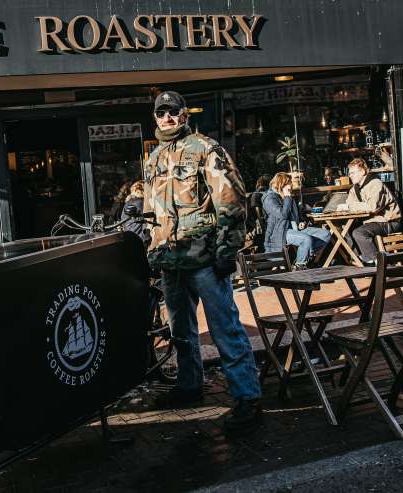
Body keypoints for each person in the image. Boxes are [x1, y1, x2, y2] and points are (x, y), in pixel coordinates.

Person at [143, 90, 262, 432]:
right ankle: (190, 385)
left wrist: (227, 252)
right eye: (161, 113)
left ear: (184, 115)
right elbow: (154, 214)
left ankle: (247, 397)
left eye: (172, 112)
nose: (167, 118)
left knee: (225, 329)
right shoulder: (153, 160)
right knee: (180, 331)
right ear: (155, 118)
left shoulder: (206, 149)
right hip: (170, 260)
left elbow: (231, 201)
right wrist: (152, 249)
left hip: (205, 258)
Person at [338, 157, 402, 265]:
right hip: (370, 222)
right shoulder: (355, 188)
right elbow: (349, 203)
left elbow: (372, 207)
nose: (350, 175)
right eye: (350, 173)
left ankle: (378, 263)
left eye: (353, 172)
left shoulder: (375, 183)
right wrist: (346, 207)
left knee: (359, 233)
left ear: (362, 172)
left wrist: (349, 207)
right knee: (344, 230)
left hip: (388, 221)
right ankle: (359, 258)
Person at [263, 173, 331, 269]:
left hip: (296, 229)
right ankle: (300, 265)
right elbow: (283, 215)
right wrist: (287, 197)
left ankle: (305, 255)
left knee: (326, 234)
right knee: (306, 239)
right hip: (280, 232)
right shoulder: (270, 199)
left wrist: (301, 222)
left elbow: (298, 216)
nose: (291, 186)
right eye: (289, 183)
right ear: (281, 184)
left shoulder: (289, 197)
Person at [120, 181, 150, 245]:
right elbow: (147, 221)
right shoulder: (140, 202)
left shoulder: (129, 202)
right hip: (139, 239)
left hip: (130, 238)